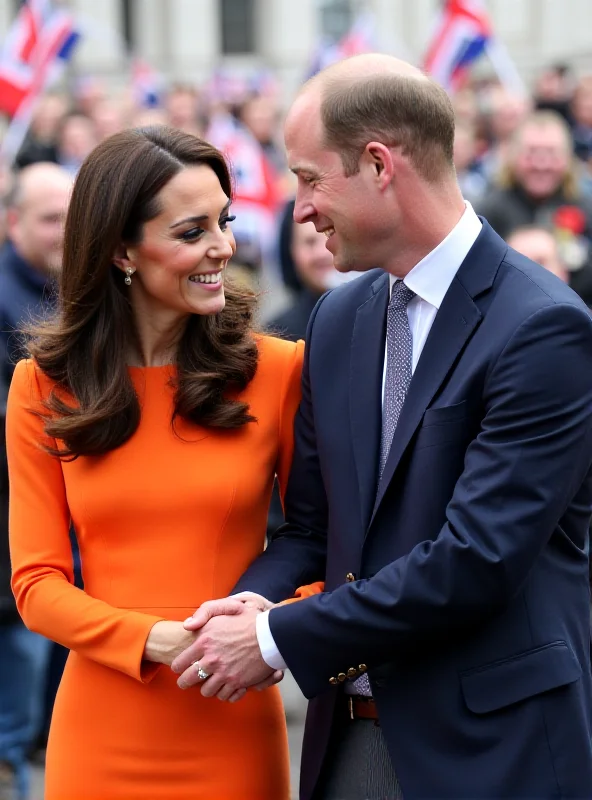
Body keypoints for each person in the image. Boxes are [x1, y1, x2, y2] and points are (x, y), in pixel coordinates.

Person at [171, 54, 592, 800]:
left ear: (378, 164)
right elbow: (312, 526)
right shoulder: (339, 317)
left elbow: (477, 559)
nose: (299, 209)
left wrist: (272, 641)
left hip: (492, 750)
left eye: (308, 178)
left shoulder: (544, 327)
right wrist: (249, 604)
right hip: (350, 740)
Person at [6, 126, 303, 800]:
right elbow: (36, 584)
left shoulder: (280, 370)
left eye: (224, 222)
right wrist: (159, 641)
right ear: (121, 250)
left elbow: (324, 545)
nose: (223, 247)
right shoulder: (42, 386)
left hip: (233, 719)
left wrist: (268, 633)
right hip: (99, 732)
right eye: (192, 230)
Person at [0, 162, 72, 800]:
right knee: (14, 725)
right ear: (11, 222)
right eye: (51, 219)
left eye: (73, 219)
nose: (64, 233)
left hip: (66, 550)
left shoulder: (76, 289)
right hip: (14, 552)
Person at [476, 109, 592, 304]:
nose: (541, 164)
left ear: (568, 157)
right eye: (531, 153)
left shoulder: (586, 207)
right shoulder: (488, 210)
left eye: (551, 153)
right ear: (513, 156)